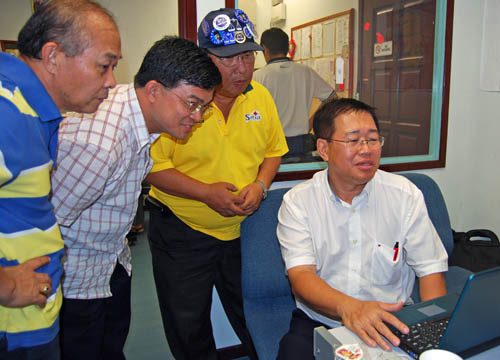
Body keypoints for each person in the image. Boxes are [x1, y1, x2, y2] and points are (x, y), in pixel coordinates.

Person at [50, 36, 221, 360]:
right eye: (192, 103)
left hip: (110, 265)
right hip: (74, 285)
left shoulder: (140, 125)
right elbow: (46, 225)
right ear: (154, 90)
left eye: (204, 107)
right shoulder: (100, 146)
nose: (198, 116)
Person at [145, 8, 288, 360]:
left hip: (245, 228)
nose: (240, 68)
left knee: (252, 311)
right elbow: (149, 165)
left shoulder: (260, 97)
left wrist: (261, 186)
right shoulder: (183, 102)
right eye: (227, 59)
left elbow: (274, 151)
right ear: (205, 58)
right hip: (182, 229)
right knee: (188, 322)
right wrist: (205, 193)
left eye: (246, 57)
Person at [276, 98, 448, 359]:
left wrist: (433, 331)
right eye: (353, 140)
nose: (366, 150)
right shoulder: (299, 202)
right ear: (323, 148)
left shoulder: (404, 195)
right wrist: (350, 308)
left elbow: (430, 269)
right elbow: (301, 278)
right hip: (322, 320)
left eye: (373, 139)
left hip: (391, 320)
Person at [0, 1, 121, 359]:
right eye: (104, 66)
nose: (112, 82)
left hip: (29, 322)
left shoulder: (33, 112)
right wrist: (6, 287)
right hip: (11, 329)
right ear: (52, 56)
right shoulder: (8, 114)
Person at [253, 27, 335, 159]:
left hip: (270, 144)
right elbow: (332, 98)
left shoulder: (257, 77)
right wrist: (310, 122)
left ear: (265, 49)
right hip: (301, 143)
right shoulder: (305, 72)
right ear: (288, 48)